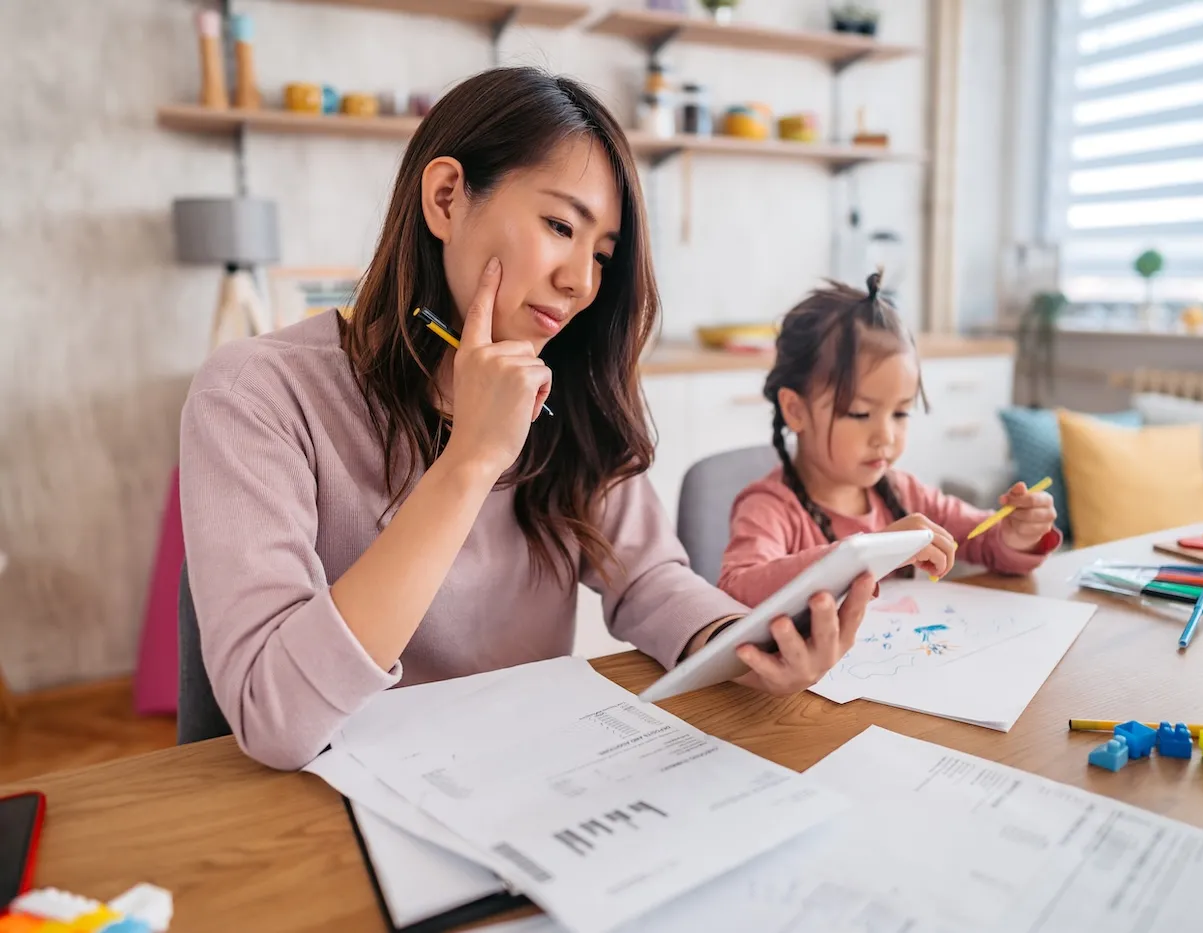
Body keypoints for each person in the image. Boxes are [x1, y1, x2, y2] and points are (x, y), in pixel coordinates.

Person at [180, 67, 875, 771]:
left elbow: (649, 578)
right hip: (329, 808)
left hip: (529, 776)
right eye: (558, 225)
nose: (580, 281)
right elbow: (274, 716)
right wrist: (471, 460)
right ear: (446, 197)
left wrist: (743, 642)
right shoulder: (257, 393)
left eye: (601, 255)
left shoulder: (564, 388)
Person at [718, 273, 1061, 609]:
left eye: (900, 414)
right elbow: (738, 590)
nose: (885, 436)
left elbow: (983, 539)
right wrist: (870, 552)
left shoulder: (905, 493)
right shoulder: (769, 508)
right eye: (859, 413)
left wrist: (1016, 534)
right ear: (796, 410)